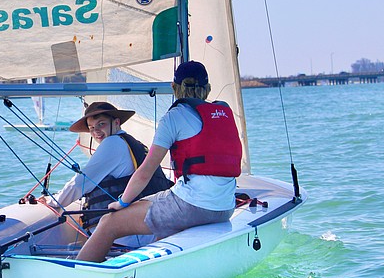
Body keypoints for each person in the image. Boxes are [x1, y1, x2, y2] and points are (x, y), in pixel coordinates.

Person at [76, 61, 242, 262]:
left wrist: (122, 203)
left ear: (174, 88)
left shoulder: (174, 117)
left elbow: (145, 172)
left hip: (192, 207)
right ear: (208, 89)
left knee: (108, 223)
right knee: (157, 214)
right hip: (225, 207)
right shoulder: (225, 113)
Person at [45, 101, 171, 231]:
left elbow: (80, 183)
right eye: (91, 128)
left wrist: (53, 202)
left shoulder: (113, 143)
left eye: (101, 124)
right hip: (148, 222)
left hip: (129, 231)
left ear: (116, 122)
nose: (96, 131)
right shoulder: (130, 142)